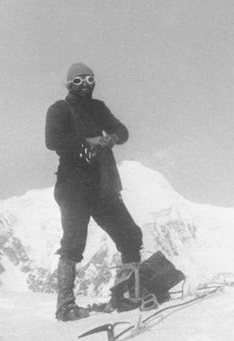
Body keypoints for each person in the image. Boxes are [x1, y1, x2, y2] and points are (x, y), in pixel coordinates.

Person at [45, 63, 143, 321]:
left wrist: (112, 138)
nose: (85, 84)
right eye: (78, 80)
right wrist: (87, 140)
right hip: (75, 186)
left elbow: (122, 131)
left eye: (89, 79)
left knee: (130, 236)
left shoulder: (98, 108)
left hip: (101, 183)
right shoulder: (59, 109)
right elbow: (52, 141)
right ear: (69, 84)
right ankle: (65, 306)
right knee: (73, 243)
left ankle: (125, 296)